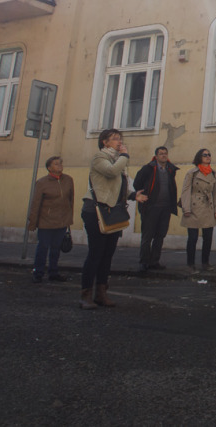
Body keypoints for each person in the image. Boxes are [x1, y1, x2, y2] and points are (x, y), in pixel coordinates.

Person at [80, 129, 147, 309]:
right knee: (95, 254)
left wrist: (133, 195)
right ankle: (85, 295)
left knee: (107, 255)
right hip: (96, 211)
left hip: (112, 211)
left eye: (120, 138)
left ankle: (101, 293)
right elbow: (111, 172)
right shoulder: (100, 158)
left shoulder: (118, 161)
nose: (119, 141)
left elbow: (117, 186)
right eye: (115, 139)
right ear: (104, 142)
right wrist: (124, 156)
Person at [27, 155, 74, 283]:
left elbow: (71, 200)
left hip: (61, 220)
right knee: (43, 247)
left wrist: (69, 218)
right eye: (56, 164)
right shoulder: (42, 183)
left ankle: (53, 272)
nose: (60, 165)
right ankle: (38, 273)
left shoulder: (68, 180)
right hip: (46, 221)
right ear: (49, 168)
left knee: (56, 248)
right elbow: (36, 203)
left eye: (60, 163)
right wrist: (33, 222)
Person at [133, 146, 179, 272]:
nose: (163, 155)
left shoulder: (170, 169)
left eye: (165, 153)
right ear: (156, 156)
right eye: (161, 154)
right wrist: (144, 195)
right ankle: (144, 262)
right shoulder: (148, 168)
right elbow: (137, 183)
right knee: (147, 236)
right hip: (151, 207)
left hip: (165, 208)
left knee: (160, 235)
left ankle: (154, 261)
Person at [180, 148, 216, 273]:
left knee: (208, 237)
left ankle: (205, 263)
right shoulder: (192, 173)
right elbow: (185, 191)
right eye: (205, 155)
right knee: (193, 238)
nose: (208, 156)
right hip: (193, 207)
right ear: (199, 157)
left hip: (208, 207)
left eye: (209, 154)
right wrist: (186, 208)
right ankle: (190, 264)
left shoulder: (214, 173)